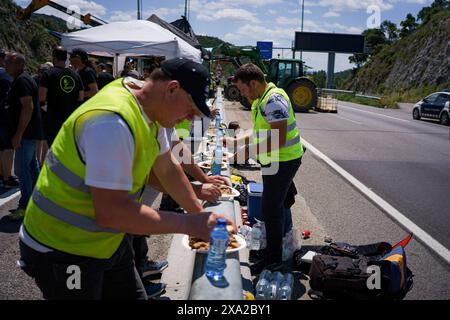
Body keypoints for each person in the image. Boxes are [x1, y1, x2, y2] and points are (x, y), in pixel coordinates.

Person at [18, 57, 234, 300]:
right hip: (62, 248)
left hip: (108, 240)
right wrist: (188, 224)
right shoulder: (112, 123)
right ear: (172, 88)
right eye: (191, 110)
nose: (189, 119)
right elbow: (112, 212)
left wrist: (200, 216)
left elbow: (168, 168)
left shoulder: (149, 107)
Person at [226, 63, 303, 274]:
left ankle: (274, 261)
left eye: (243, 90)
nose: (242, 94)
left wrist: (247, 152)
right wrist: (234, 142)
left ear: (253, 83)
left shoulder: (273, 100)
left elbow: (278, 138)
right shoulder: (261, 100)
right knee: (280, 204)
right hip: (274, 161)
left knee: (271, 209)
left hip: (284, 161)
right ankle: (285, 247)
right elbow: (259, 132)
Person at [4, 53, 43, 220]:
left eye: (8, 62)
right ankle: (35, 202)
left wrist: (18, 133)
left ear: (19, 64)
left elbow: (28, 107)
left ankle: (25, 206)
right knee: (31, 167)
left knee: (21, 169)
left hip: (26, 134)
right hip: (29, 132)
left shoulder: (22, 80)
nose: (5, 64)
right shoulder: (22, 79)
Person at [39, 46, 84, 147]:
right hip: (70, 120)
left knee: (54, 149)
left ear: (54, 58)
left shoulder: (48, 74)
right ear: (66, 59)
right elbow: (81, 97)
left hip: (53, 120)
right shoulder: (76, 75)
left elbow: (41, 97)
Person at [0, 48, 18, 189]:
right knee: (8, 147)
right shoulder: (6, 76)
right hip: (5, 116)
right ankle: (7, 177)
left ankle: (2, 175)